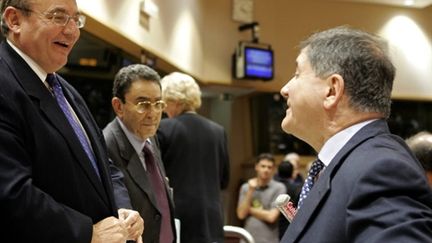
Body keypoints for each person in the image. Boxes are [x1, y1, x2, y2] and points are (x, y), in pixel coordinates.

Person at [0, 1, 143, 242]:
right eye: (58, 17)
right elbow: (10, 193)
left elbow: (103, 165)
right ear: (14, 20)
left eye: (76, 19)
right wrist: (87, 232)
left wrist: (122, 210)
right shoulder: (5, 84)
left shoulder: (65, 90)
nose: (72, 31)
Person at [279, 26, 432, 242]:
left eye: (297, 74)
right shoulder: (348, 163)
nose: (285, 89)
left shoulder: (382, 169)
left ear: (332, 90)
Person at [103, 64, 176, 243]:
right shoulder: (105, 146)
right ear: (118, 106)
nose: (153, 114)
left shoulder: (151, 137)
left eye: (158, 104)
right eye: (143, 104)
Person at [156, 72, 230, 243]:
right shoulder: (218, 131)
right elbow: (224, 180)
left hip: (178, 220)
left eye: (164, 102)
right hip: (212, 219)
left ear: (174, 100)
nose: (163, 108)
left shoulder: (162, 129)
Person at [237, 153, 286, 243]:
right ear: (256, 167)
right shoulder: (246, 187)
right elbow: (241, 214)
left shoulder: (279, 187)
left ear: (274, 170)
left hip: (269, 240)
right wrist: (251, 190)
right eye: (263, 166)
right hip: (247, 239)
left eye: (269, 167)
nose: (266, 170)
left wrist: (249, 210)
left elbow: (271, 217)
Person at [274, 160, 301, 239]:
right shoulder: (297, 188)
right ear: (292, 172)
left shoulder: (272, 186)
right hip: (289, 226)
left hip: (272, 227)